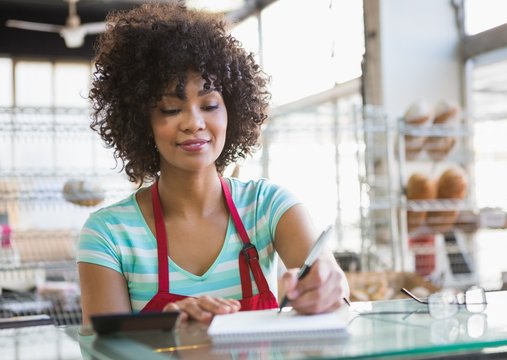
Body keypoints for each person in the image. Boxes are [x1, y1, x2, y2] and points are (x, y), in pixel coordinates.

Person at [78, 1, 349, 327]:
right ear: (141, 121)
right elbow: (102, 347)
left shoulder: (269, 208)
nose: (194, 123)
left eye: (209, 105)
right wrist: (164, 330)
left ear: (232, 112)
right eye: (169, 109)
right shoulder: (109, 234)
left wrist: (329, 288)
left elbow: (337, 293)